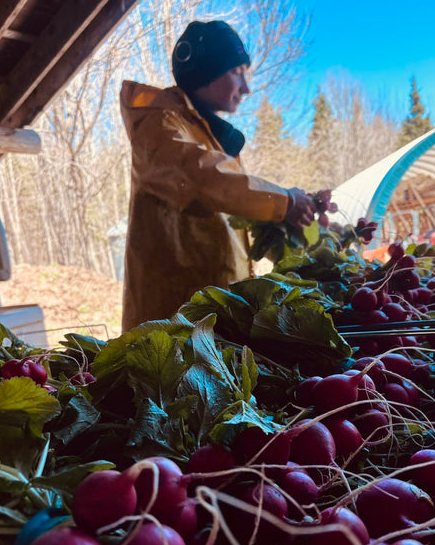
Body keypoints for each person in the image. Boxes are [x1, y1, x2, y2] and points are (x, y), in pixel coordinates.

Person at [119, 20, 317, 331]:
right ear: (205, 71)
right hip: (174, 325)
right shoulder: (160, 125)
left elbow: (226, 199)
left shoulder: (205, 133)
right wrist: (285, 201)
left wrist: (287, 212)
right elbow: (203, 180)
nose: (246, 87)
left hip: (207, 314)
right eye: (237, 72)